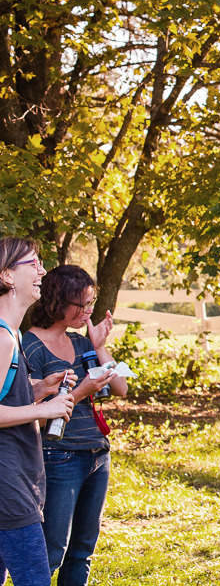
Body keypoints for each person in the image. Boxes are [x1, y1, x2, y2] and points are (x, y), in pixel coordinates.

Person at [23, 265, 127, 586]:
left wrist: (98, 343)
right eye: (81, 304)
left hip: (97, 454)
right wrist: (81, 391)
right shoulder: (31, 346)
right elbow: (32, 412)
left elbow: (120, 388)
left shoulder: (82, 344)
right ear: (57, 302)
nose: (88, 311)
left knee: (81, 551)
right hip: (58, 457)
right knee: (53, 549)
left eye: (91, 303)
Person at [0, 237, 74, 586]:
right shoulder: (2, 338)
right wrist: (44, 408)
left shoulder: (10, 334)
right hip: (7, 482)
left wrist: (40, 388)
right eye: (33, 263)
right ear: (7, 276)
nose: (42, 270)